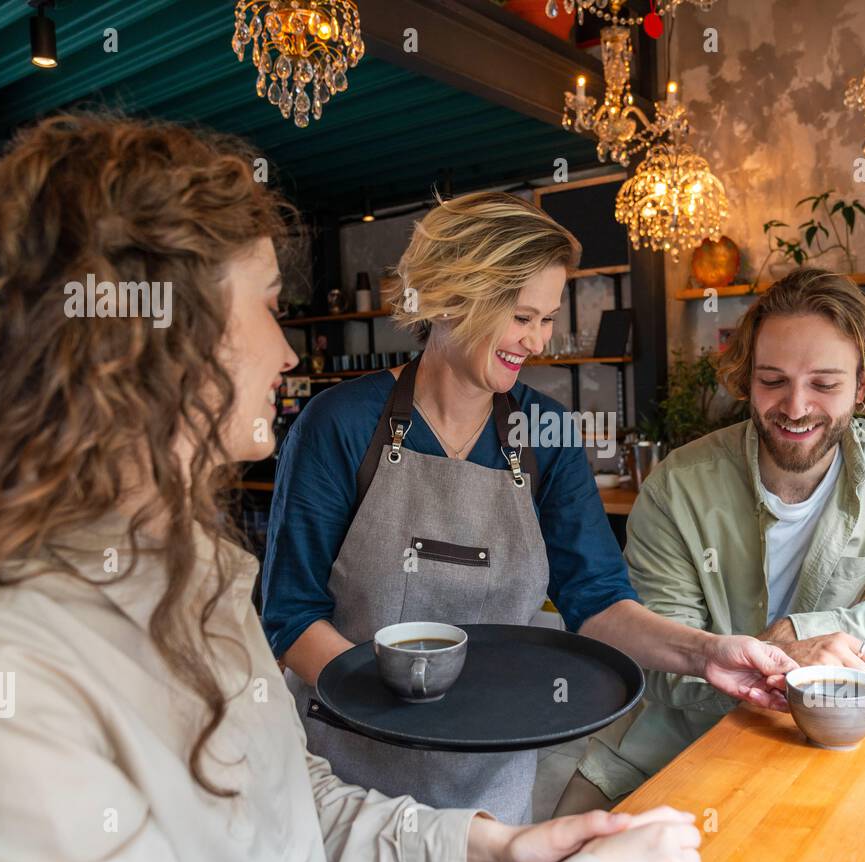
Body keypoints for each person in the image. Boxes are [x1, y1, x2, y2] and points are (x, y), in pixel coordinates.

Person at [0, 112, 700, 862]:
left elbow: (290, 808)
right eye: (266, 304)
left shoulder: (203, 583)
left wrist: (491, 846)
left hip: (472, 797)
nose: (289, 352)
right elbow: (296, 635)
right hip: (368, 753)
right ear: (153, 344)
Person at [261, 190, 795, 825]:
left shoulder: (547, 432)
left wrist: (709, 653)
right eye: (521, 316)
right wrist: (404, 700)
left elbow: (597, 604)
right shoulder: (340, 423)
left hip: (492, 786)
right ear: (455, 295)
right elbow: (290, 616)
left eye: (546, 318)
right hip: (348, 782)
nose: (538, 341)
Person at [559, 267, 865, 813]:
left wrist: (803, 633)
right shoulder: (676, 485)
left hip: (817, 750)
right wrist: (786, 663)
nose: (794, 407)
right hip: (668, 751)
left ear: (861, 384)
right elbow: (661, 670)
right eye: (772, 381)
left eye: (824, 384)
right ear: (747, 379)